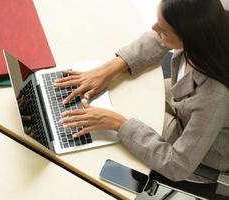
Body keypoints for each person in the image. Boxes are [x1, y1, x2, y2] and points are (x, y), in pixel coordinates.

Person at [55, 0, 229, 182]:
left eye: (163, 30)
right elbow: (160, 39)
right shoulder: (212, 26)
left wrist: (118, 123)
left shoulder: (214, 96)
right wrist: (109, 69)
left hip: (201, 151)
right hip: (184, 100)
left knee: (118, 129)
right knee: (126, 94)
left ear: (189, 38)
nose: (154, 29)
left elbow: (177, 166)